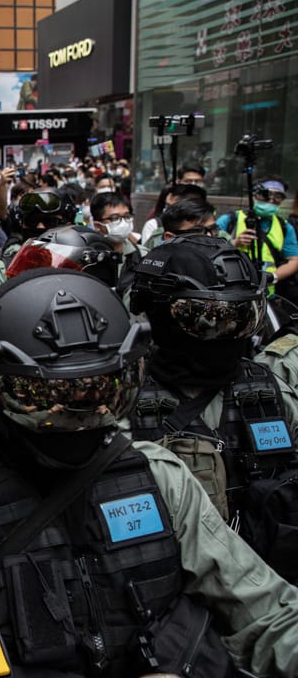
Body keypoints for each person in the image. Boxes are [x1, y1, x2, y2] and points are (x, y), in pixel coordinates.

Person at [0, 269, 298, 677]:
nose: (82, 413)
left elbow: (266, 612)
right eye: (48, 397)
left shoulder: (161, 477)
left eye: (103, 389)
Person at [128, 235, 298, 579]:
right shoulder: (125, 398)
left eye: (241, 318)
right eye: (205, 319)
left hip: (266, 582)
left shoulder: (270, 389)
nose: (227, 333)